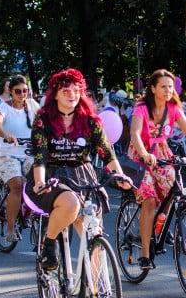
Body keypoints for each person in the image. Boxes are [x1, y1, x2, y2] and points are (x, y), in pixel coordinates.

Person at [26, 69, 131, 271]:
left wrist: (119, 174)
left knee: (94, 232)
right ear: (55, 94)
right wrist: (39, 182)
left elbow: (106, 152)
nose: (72, 95)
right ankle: (49, 243)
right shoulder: (43, 120)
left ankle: (92, 293)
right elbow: (40, 156)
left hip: (82, 175)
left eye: (76, 90)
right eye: (66, 90)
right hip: (52, 175)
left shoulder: (90, 121)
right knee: (71, 204)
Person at [129, 69, 186, 269]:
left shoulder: (173, 108)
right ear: (153, 88)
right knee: (150, 200)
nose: (168, 90)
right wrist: (143, 153)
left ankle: (160, 222)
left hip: (162, 153)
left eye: (171, 86)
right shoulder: (142, 107)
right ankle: (144, 254)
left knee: (172, 190)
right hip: (142, 155)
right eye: (163, 86)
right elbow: (134, 133)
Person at [0, 75, 40, 242]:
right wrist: (6, 135)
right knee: (17, 184)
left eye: (25, 90)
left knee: (41, 180)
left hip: (28, 153)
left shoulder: (33, 106)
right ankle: (10, 228)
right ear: (11, 92)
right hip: (7, 153)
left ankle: (31, 212)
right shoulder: (4, 107)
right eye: (18, 91)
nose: (22, 94)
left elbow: (45, 122)